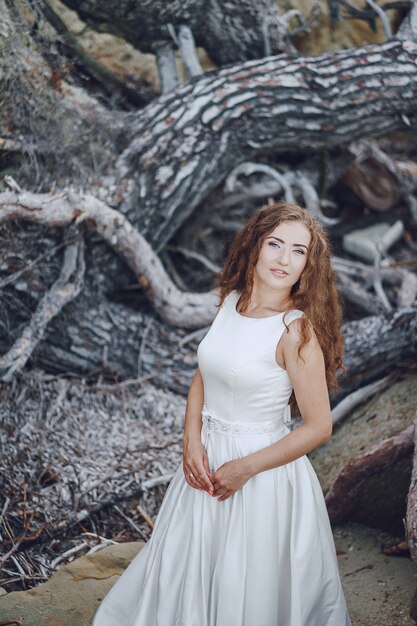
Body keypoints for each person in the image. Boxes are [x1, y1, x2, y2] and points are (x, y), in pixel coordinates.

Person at [92, 201, 353, 626]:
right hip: (206, 462)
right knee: (189, 564)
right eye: (275, 244)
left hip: (262, 475)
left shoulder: (296, 331)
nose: (284, 259)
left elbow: (320, 426)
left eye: (299, 251)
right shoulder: (233, 301)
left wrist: (244, 469)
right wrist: (190, 438)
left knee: (247, 579)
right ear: (254, 247)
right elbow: (203, 375)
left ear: (309, 265)